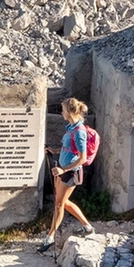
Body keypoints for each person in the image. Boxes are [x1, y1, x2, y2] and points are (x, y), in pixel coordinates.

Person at [39, 97, 96, 252]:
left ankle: (50, 237)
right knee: (62, 202)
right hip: (64, 170)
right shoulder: (71, 128)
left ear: (70, 112)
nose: (61, 112)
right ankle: (87, 226)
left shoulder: (79, 132)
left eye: (63, 110)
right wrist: (54, 150)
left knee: (59, 204)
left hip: (71, 173)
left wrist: (64, 170)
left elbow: (82, 158)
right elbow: (68, 148)